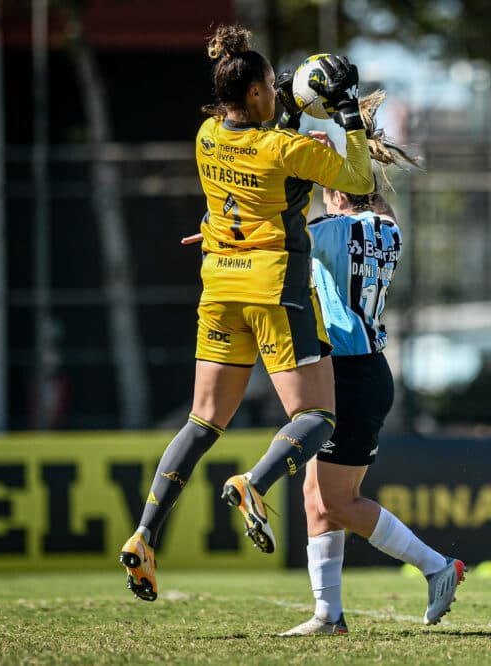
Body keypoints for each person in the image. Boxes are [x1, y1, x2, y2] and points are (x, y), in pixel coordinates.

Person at [119, 25, 374, 601]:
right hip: (275, 289)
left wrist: (288, 109)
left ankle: (145, 534)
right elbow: (359, 178)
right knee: (317, 418)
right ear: (257, 92)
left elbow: (248, 176)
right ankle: (254, 482)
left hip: (219, 287)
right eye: (270, 88)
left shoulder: (207, 135)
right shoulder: (286, 150)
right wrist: (348, 114)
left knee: (203, 420)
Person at [279, 139, 464, 637]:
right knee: (316, 495)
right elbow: (377, 204)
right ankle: (328, 614)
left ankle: (436, 567)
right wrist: (350, 152)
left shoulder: (329, 231)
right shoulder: (389, 229)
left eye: (326, 189)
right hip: (364, 371)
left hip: (349, 376)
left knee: (337, 502)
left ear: (337, 195)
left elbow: (282, 236)